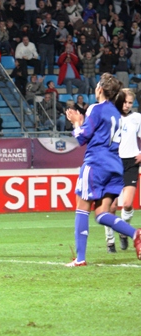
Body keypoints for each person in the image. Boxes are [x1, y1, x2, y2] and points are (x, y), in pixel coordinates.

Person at [65, 73, 141, 267]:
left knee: (82, 209)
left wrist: (75, 122)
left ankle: (80, 259)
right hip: (115, 166)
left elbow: (82, 138)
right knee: (101, 214)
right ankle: (135, 233)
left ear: (99, 89)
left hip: (96, 164)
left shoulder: (96, 109)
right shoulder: (116, 113)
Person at [106, 89, 141, 253]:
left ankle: (123, 231)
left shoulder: (137, 118)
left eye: (130, 103)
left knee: (126, 204)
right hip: (113, 163)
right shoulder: (112, 117)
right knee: (111, 207)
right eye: (125, 102)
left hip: (131, 163)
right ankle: (110, 241)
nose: (127, 105)